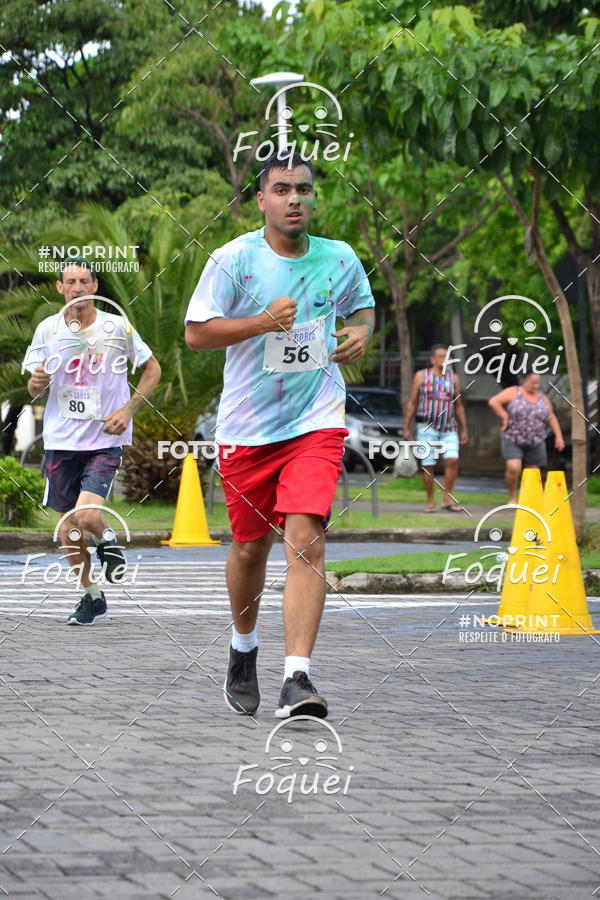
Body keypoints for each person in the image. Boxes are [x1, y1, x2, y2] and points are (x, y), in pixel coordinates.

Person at [185, 152, 375, 719]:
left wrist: (359, 334)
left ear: (315, 198)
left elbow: (363, 311)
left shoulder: (338, 258)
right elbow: (196, 334)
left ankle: (298, 678)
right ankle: (244, 646)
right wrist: (263, 322)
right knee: (249, 547)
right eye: (283, 189)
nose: (295, 199)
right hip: (247, 426)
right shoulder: (234, 259)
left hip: (315, 420)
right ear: (261, 199)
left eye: (305, 189)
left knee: (306, 538)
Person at [22, 259, 161, 624]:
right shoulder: (48, 330)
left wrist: (128, 411)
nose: (78, 288)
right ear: (60, 288)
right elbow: (34, 387)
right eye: (71, 281)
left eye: (84, 281)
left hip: (104, 438)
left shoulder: (116, 327)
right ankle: (91, 594)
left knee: (86, 515)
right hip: (60, 441)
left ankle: (108, 540)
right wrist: (36, 385)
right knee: (68, 528)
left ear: (95, 287)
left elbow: (152, 369)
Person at [403, 344, 469, 513]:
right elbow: (413, 402)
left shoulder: (453, 378)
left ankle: (446, 499)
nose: (444, 359)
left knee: (453, 460)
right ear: (432, 359)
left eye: (447, 357)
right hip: (426, 428)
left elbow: (459, 405)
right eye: (440, 356)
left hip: (449, 427)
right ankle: (430, 501)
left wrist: (464, 429)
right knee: (428, 465)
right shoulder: (421, 376)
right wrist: (406, 427)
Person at [488, 372, 565, 504]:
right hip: (513, 437)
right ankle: (512, 497)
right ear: (524, 381)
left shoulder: (542, 397)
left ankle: (529, 500)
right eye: (532, 382)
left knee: (533, 473)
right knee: (514, 467)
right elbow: (493, 402)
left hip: (536, 439)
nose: (536, 386)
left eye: (538, 383)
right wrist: (504, 416)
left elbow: (551, 417)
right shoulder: (513, 392)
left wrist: (559, 436)